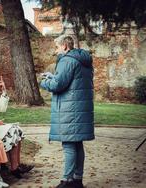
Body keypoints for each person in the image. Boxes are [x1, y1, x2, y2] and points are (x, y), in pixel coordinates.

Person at [40, 36, 94, 188]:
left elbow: (58, 85)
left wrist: (44, 82)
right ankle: (78, 179)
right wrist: (53, 76)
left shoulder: (66, 60)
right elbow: (72, 80)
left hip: (69, 110)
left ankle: (66, 180)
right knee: (77, 144)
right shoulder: (83, 60)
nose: (56, 50)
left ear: (64, 46)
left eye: (57, 47)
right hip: (79, 108)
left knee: (69, 144)